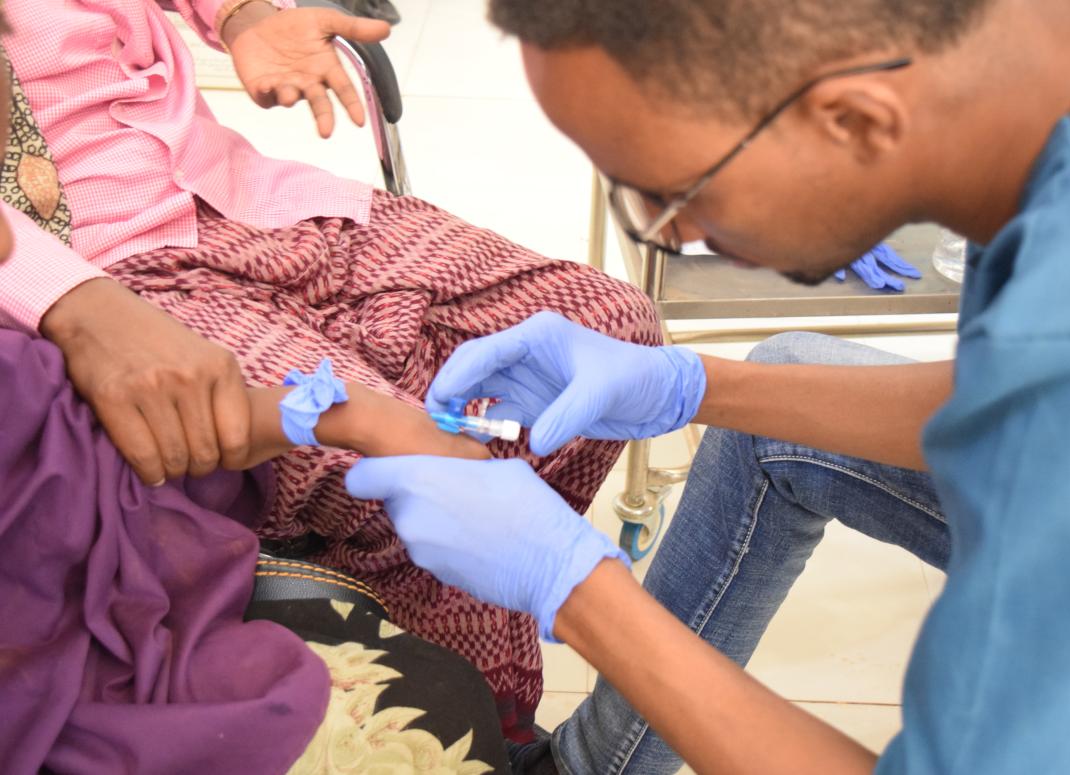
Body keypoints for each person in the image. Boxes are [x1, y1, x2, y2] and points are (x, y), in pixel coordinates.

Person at [341, 0, 1070, 773]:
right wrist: (688, 386)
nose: (671, 235)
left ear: (856, 119)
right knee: (782, 385)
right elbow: (1010, 401)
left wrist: (581, 594)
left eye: (670, 194)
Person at [0, 0, 665, 740]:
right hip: (102, 284)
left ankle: (462, 629)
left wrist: (240, 15)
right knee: (421, 480)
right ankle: (490, 724)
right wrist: (66, 299)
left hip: (236, 198)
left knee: (611, 328)